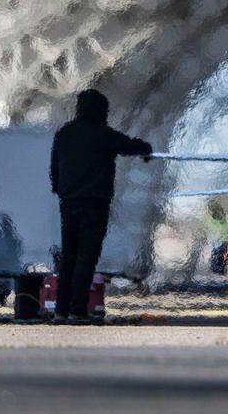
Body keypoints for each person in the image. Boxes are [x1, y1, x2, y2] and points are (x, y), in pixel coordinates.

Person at [49, 89, 152, 324]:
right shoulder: (101, 134)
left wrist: (60, 189)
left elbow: (54, 168)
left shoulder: (64, 134)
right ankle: (78, 309)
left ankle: (60, 310)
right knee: (86, 257)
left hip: (68, 203)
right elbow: (128, 145)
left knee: (69, 257)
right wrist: (146, 149)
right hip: (94, 204)